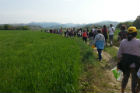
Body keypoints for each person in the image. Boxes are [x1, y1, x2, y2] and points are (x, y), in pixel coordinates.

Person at [117, 26, 140, 93]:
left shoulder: (123, 42)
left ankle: (122, 91)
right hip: (135, 65)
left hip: (125, 65)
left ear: (127, 33)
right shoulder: (139, 42)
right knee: (134, 81)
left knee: (125, 78)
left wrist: (119, 63)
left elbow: (119, 55)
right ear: (136, 34)